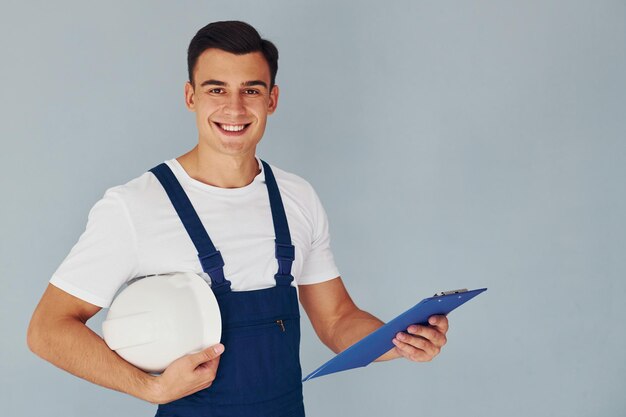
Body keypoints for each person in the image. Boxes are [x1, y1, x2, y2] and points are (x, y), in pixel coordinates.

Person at [27, 21, 449, 417]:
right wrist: (148, 388)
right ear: (191, 96)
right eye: (216, 89)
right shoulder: (135, 205)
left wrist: (399, 342)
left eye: (251, 90)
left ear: (272, 99)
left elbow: (337, 319)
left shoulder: (297, 197)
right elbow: (47, 330)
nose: (234, 107)